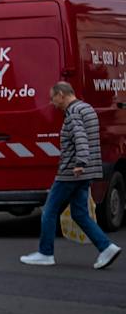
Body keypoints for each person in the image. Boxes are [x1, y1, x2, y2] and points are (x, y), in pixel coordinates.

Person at [20, 81, 119, 269]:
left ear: (61, 94)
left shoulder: (73, 113)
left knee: (49, 211)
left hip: (71, 172)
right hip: (85, 173)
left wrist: (80, 162)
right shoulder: (87, 108)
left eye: (53, 98)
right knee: (80, 214)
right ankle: (106, 247)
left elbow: (80, 137)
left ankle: (45, 253)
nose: (52, 103)